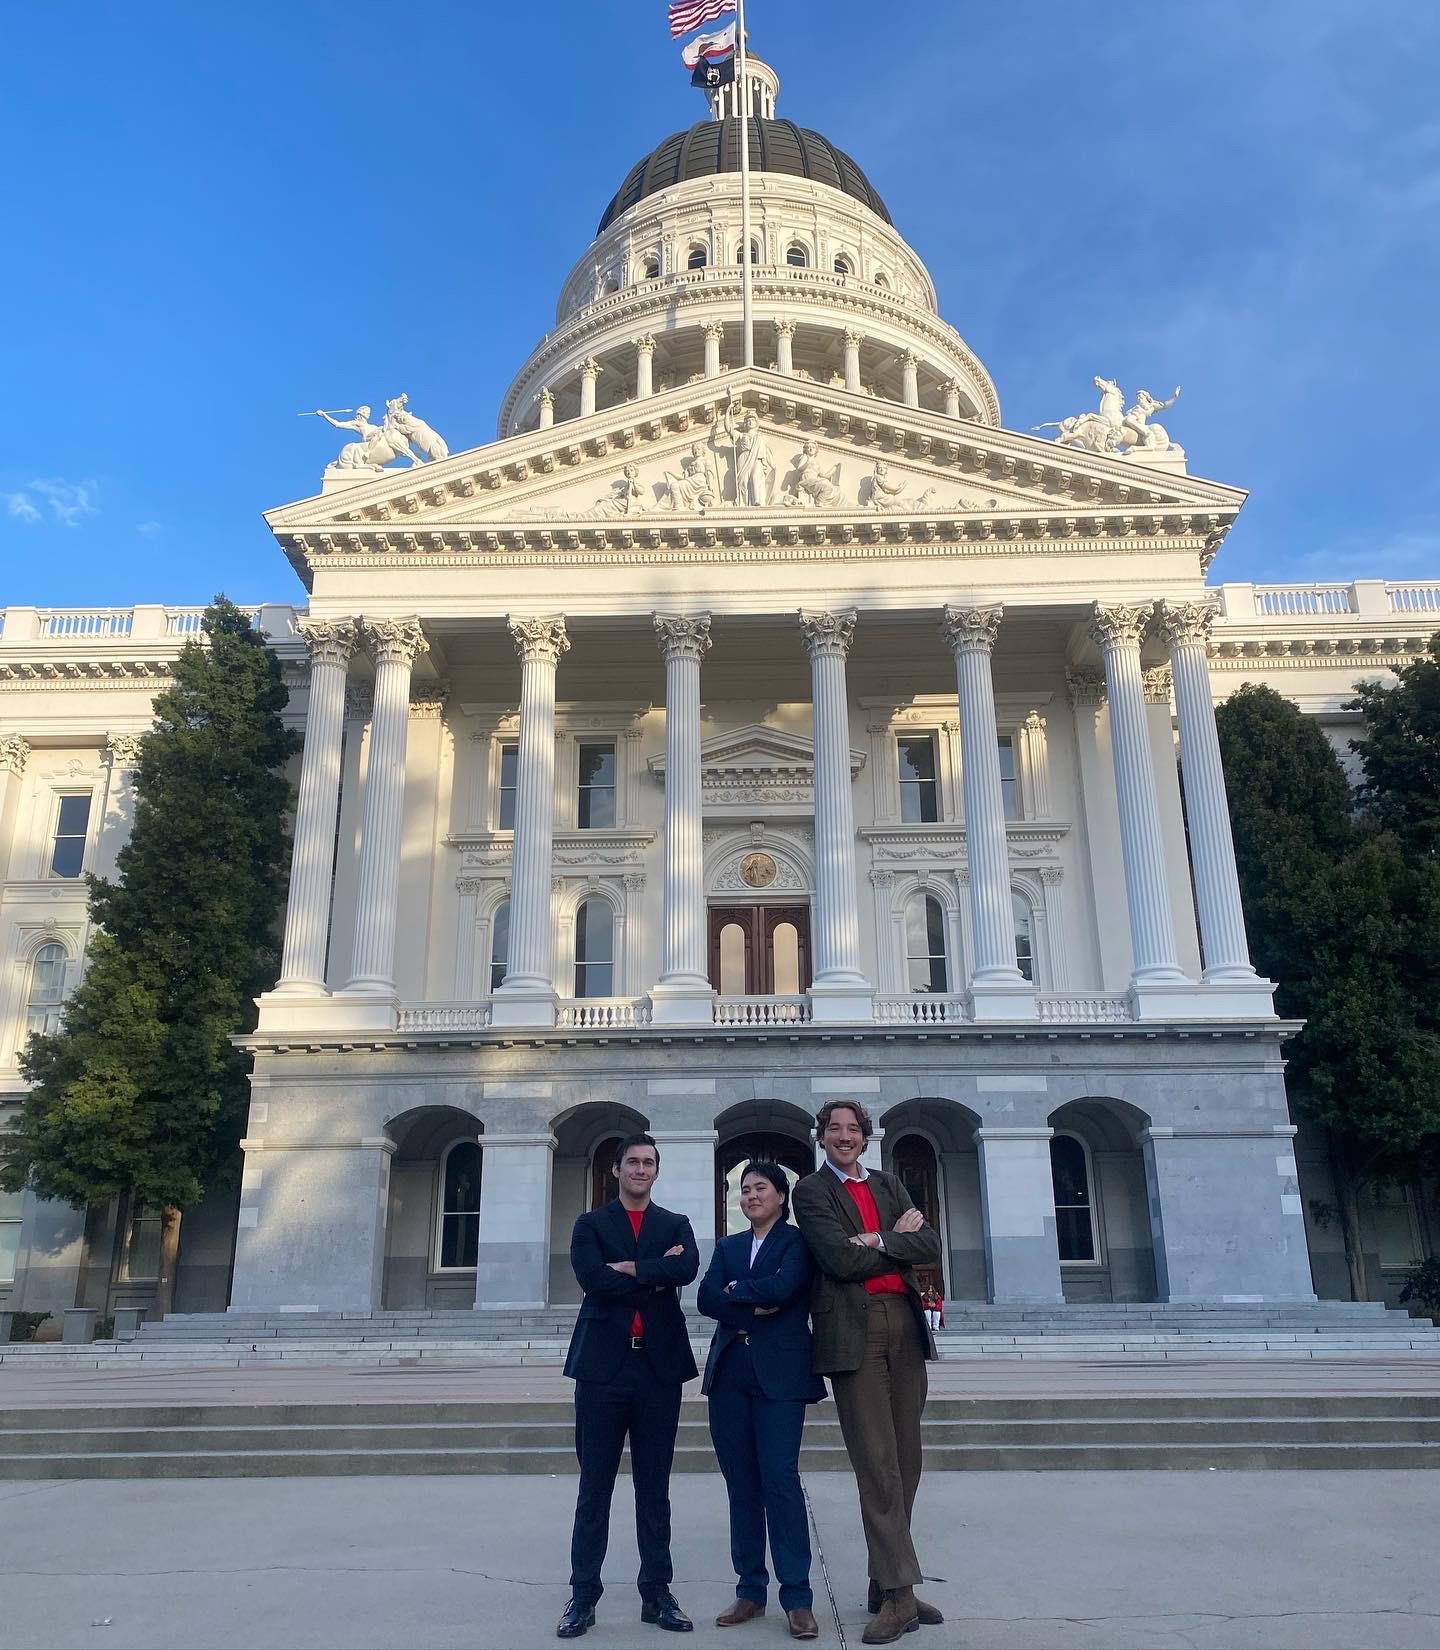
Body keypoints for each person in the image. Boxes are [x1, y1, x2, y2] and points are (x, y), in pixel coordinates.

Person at [792, 1101, 944, 1646]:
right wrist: (896, 1246)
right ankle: (900, 1597)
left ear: (865, 1136)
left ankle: (887, 1582)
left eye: (852, 1129)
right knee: (876, 1461)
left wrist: (877, 1240)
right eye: (834, 1129)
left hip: (904, 1324)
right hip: (854, 1334)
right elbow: (838, 1260)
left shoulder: (888, 1183)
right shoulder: (810, 1192)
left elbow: (929, 1245)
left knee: (906, 1460)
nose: (844, 1137)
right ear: (821, 1137)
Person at [557, 1134, 699, 1639]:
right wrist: (656, 1277)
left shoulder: (674, 1223)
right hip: (603, 1370)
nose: (641, 1169)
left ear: (656, 1171)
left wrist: (635, 1268)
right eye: (633, 1162)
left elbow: (688, 1268)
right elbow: (592, 1279)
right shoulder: (591, 1224)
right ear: (616, 1169)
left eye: (649, 1163)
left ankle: (656, 1594)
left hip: (657, 1371)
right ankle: (583, 1595)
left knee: (654, 1488)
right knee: (594, 1488)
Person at [697, 1163, 827, 1641]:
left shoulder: (796, 1242)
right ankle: (751, 1589)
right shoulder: (729, 1246)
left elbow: (786, 1287)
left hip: (780, 1377)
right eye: (744, 1189)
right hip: (730, 1375)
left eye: (760, 1188)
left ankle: (798, 1597)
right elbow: (707, 1299)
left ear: (780, 1195)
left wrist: (739, 1293)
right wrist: (750, 1300)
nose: (750, 1196)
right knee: (742, 1484)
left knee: (780, 1479)